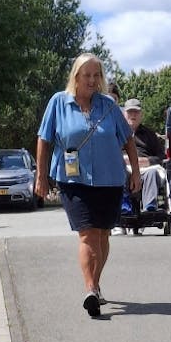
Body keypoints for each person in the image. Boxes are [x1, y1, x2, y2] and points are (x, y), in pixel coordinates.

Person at [35, 52, 140, 317]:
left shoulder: (108, 106)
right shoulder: (58, 102)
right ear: (76, 76)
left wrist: (136, 173)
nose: (92, 80)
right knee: (87, 234)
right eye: (87, 75)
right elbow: (44, 140)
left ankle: (96, 283)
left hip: (109, 179)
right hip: (73, 179)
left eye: (96, 75)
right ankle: (90, 288)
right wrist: (41, 176)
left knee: (103, 234)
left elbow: (128, 140)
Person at [113, 98, 166, 234]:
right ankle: (124, 209)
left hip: (145, 168)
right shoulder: (116, 133)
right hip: (124, 167)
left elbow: (161, 157)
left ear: (141, 114)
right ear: (124, 114)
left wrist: (146, 161)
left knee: (152, 173)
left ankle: (149, 209)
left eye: (136, 112)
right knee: (120, 171)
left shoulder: (150, 135)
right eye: (130, 112)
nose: (133, 115)